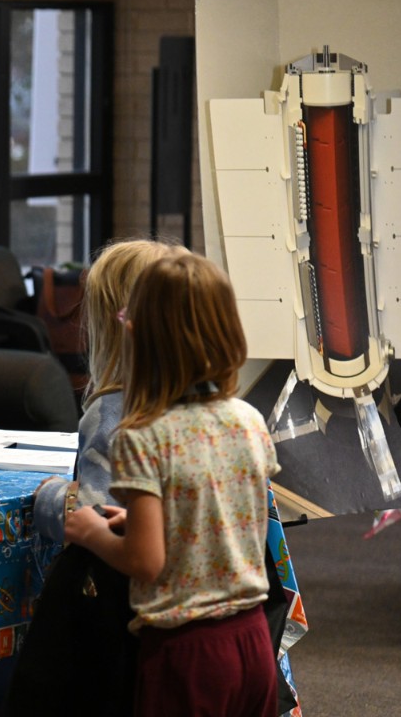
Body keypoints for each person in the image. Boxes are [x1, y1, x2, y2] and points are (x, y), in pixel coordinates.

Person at [64, 252, 281, 717]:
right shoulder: (248, 421)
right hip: (253, 639)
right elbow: (224, 517)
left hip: (187, 652)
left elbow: (144, 561)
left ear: (139, 336)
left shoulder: (142, 436)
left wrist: (92, 532)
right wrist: (151, 521)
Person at [32, 238, 186, 543]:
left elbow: (97, 520)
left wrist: (51, 497)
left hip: (137, 586)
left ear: (106, 326)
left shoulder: (112, 415)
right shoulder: (210, 405)